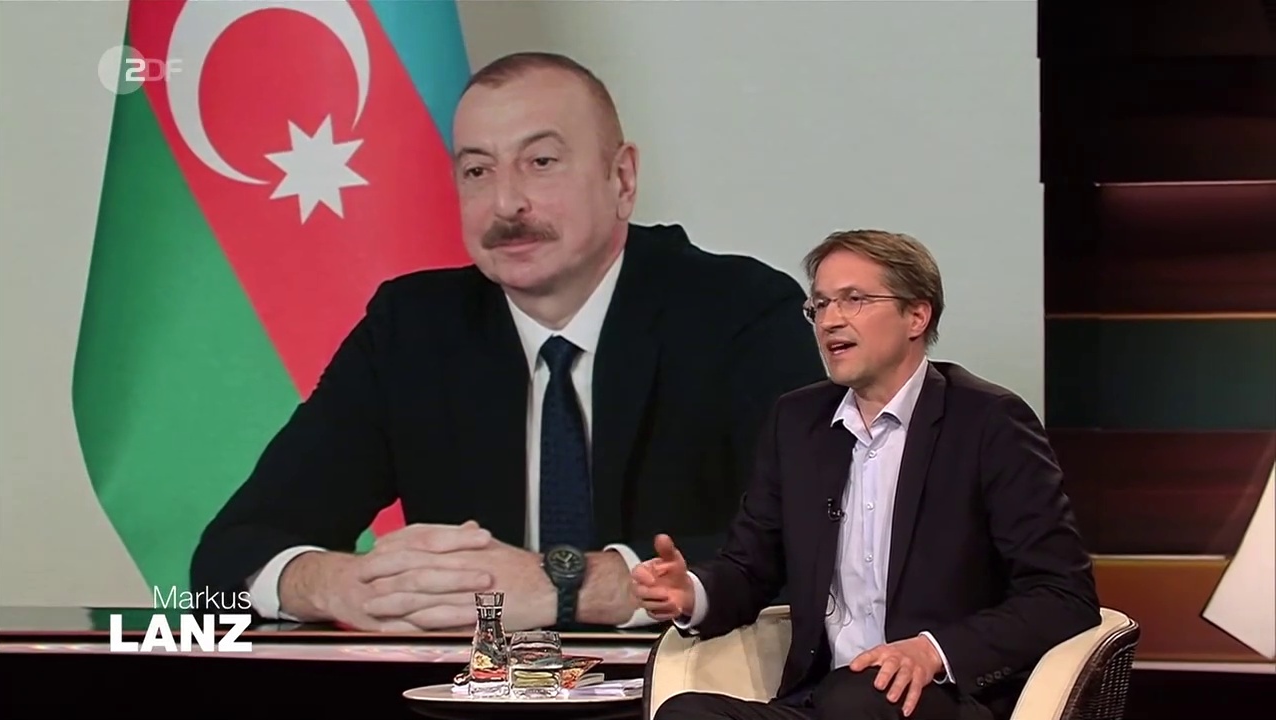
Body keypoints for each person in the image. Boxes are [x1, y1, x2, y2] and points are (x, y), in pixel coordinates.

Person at [188, 52, 826, 634]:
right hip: (462, 695)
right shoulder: (411, 330)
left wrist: (574, 586)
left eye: (540, 162)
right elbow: (225, 558)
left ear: (622, 178)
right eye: (477, 170)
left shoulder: (739, 312)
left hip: (679, 695)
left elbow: (820, 543)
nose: (505, 203)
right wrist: (339, 584)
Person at [632, 229, 1100, 720]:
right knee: (686, 713)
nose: (830, 320)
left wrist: (931, 651)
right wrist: (692, 594)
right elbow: (752, 567)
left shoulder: (988, 422)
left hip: (940, 699)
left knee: (857, 698)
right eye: (820, 304)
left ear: (916, 316)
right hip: (821, 700)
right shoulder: (798, 422)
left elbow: (1062, 595)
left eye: (853, 300)